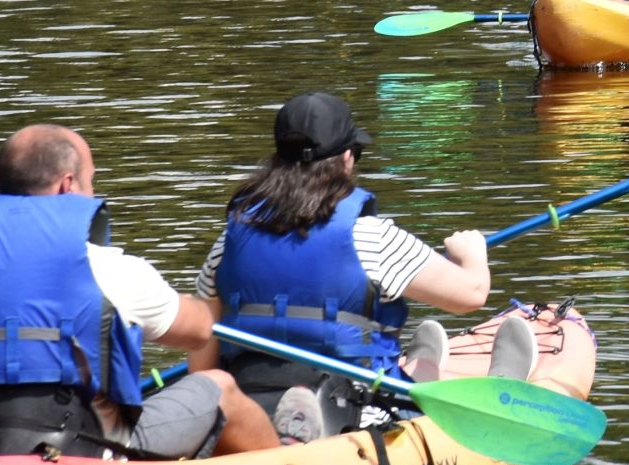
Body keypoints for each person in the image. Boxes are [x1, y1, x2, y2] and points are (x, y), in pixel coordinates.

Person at [0, 124, 280, 463]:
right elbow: (199, 331)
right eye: (92, 182)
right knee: (220, 386)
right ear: (67, 185)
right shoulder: (109, 268)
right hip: (84, 449)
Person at [194, 91, 526, 442]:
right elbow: (471, 295)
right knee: (409, 385)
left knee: (411, 370)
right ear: (347, 158)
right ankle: (502, 384)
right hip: (360, 415)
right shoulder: (370, 237)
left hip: (250, 412)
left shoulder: (230, 240)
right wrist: (472, 254)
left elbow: (202, 356)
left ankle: (424, 359)